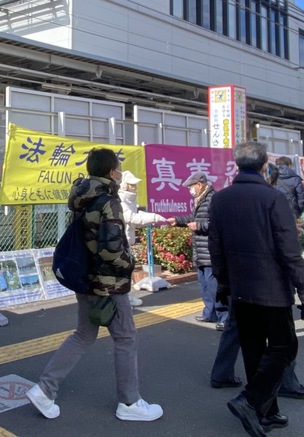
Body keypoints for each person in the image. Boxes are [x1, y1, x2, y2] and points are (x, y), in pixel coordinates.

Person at [26, 148, 163, 421]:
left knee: (83, 335)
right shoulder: (107, 202)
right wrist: (128, 265)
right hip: (108, 283)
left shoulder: (82, 198)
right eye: (119, 168)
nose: (121, 173)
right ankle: (129, 403)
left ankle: (44, 389)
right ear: (112, 172)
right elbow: (111, 250)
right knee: (125, 338)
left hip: (85, 279)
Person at [209, 142, 304, 437]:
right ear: (265, 165)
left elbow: (215, 246)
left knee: (254, 349)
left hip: (240, 286)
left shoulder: (221, 199)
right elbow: (289, 249)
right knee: (284, 346)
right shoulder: (273, 198)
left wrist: (223, 282)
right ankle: (250, 400)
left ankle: (267, 412)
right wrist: (303, 289)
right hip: (271, 288)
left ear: (237, 165)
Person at [166, 171, 227, 330]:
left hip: (210, 251)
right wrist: (177, 220)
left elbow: (219, 223)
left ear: (200, 185)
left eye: (191, 187)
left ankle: (224, 317)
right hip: (200, 251)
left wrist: (199, 226)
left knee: (215, 287)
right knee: (205, 286)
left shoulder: (213, 199)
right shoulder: (200, 200)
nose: (189, 190)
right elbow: (192, 218)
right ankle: (209, 313)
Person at [119, 170, 168, 307]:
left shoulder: (129, 200)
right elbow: (132, 217)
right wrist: (154, 217)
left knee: (127, 270)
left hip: (126, 241)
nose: (134, 187)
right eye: (131, 184)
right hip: (121, 242)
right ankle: (124, 299)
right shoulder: (121, 200)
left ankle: (127, 296)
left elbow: (136, 214)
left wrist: (152, 216)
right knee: (124, 271)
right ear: (124, 185)